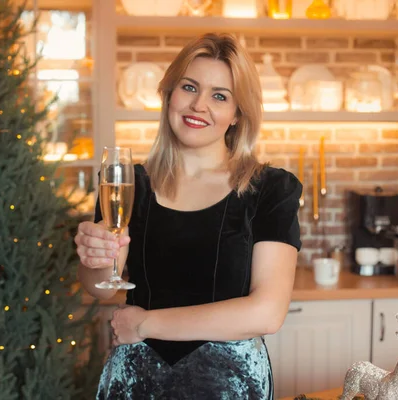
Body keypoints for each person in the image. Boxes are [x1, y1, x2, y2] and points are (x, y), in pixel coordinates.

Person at [75, 32, 302, 399]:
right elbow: (100, 285)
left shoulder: (270, 188)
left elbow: (266, 313)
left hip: (228, 383)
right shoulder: (129, 182)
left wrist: (146, 324)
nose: (199, 105)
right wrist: (93, 258)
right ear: (169, 95)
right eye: (189, 87)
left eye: (219, 96)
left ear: (236, 114)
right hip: (135, 380)